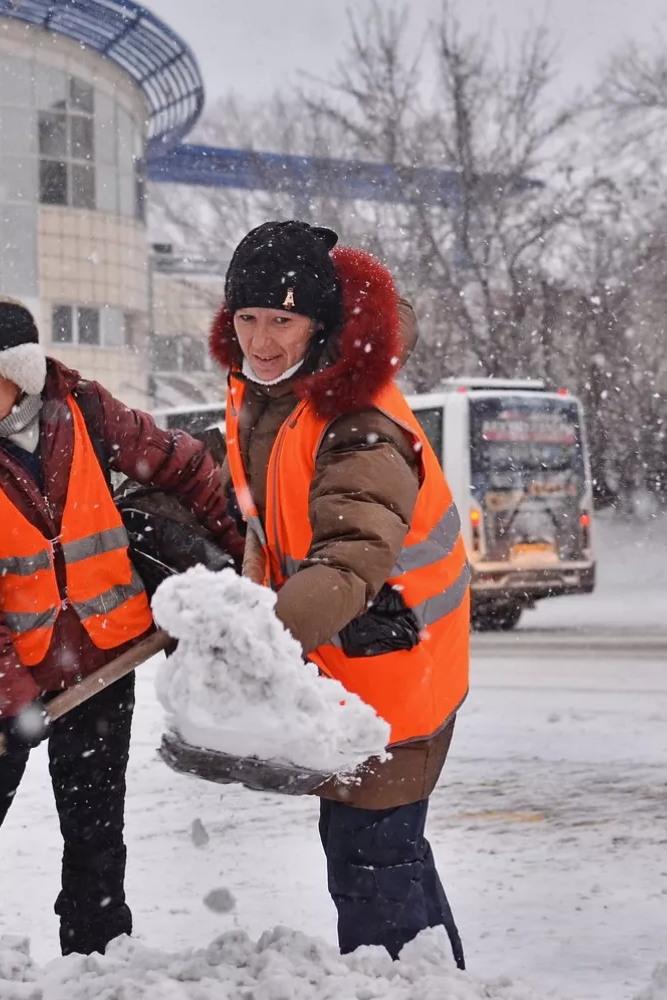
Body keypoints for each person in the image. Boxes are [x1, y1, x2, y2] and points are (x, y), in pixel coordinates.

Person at [0, 294, 243, 953]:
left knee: (94, 829)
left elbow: (184, 462)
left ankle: (98, 955)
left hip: (98, 658)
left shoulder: (84, 409)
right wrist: (11, 695)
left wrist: (236, 554)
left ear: (20, 373)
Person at [210, 221, 470, 968]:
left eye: (280, 321)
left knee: (372, 875)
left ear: (317, 323)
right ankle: (434, 980)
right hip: (367, 671)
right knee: (395, 859)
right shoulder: (280, 394)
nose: (260, 339)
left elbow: (350, 562)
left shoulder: (357, 424)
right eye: (247, 318)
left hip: (394, 678)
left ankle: (403, 983)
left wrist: (256, 650)